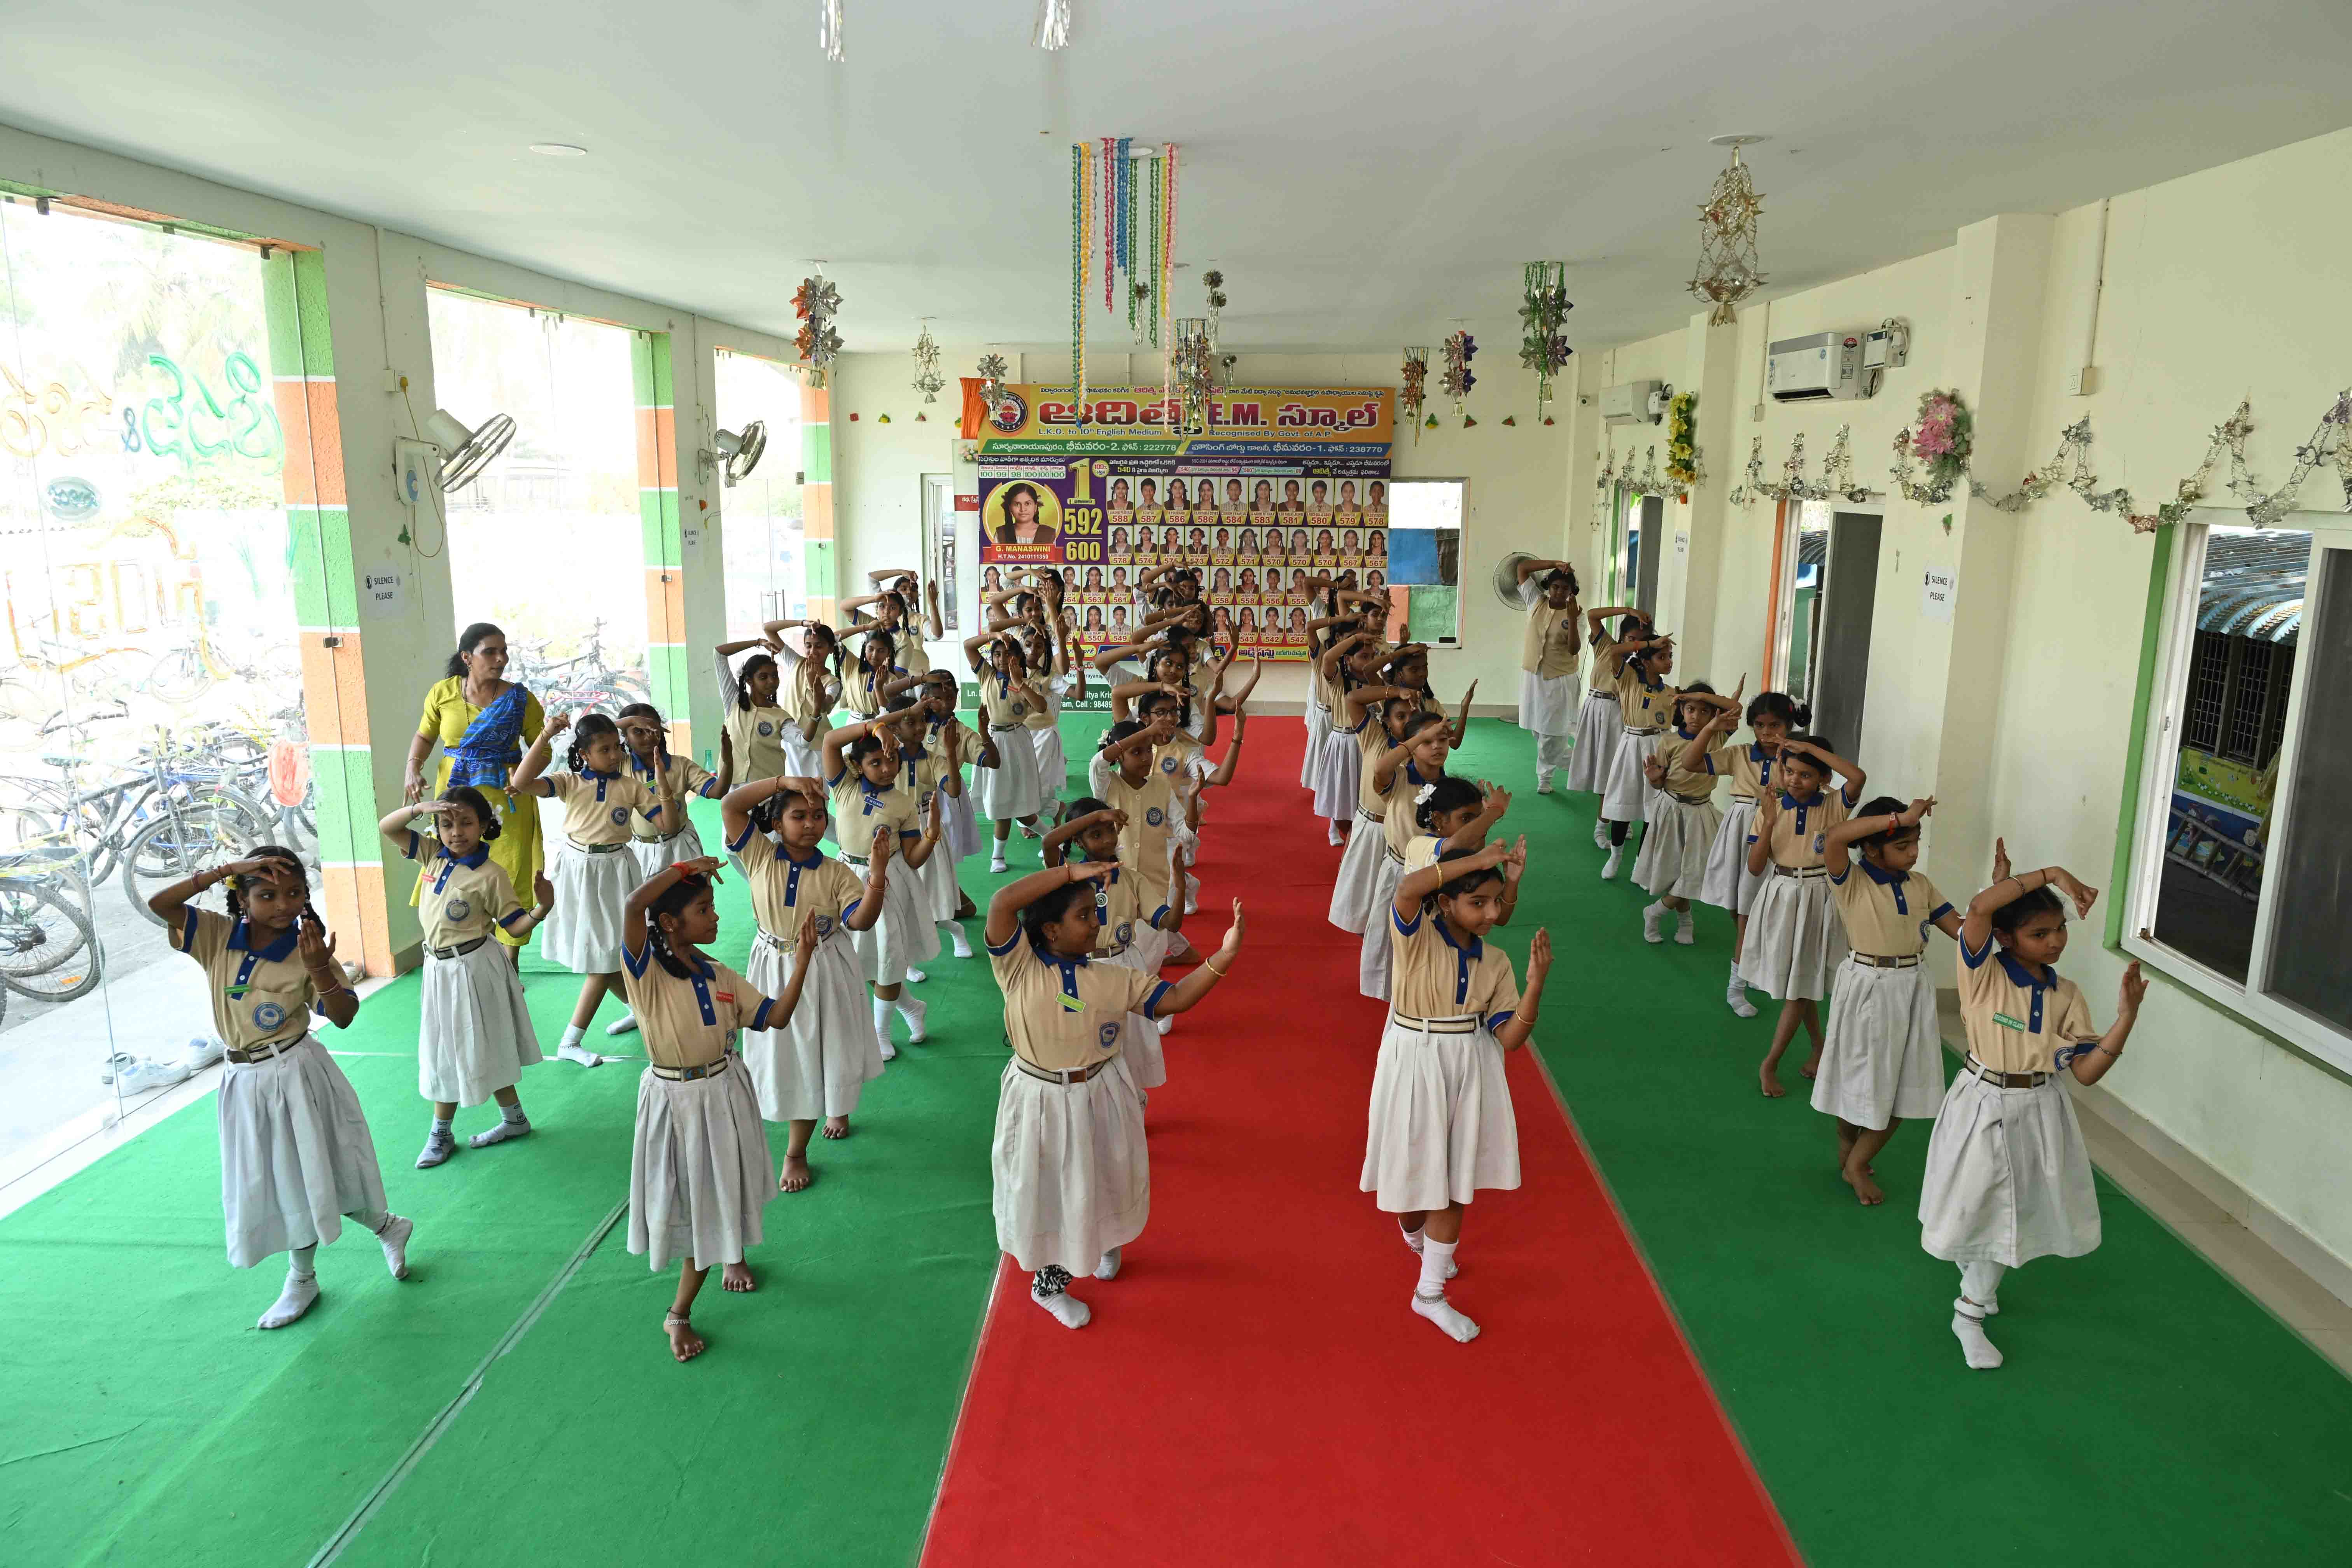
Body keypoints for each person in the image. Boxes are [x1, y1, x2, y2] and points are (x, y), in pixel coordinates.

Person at [150, 848, 413, 1330]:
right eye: (267, 895)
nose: (283, 905)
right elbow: (159, 905)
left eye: (294, 893)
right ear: (242, 900)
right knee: (290, 1177)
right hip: (242, 1080)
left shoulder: (307, 947)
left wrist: (318, 968)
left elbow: (344, 1016)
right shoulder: (216, 935)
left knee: (303, 1176)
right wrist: (224, 871)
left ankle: (303, 1279)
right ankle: (388, 1226)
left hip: (295, 1073)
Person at [985, 860, 1244, 1328]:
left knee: (1104, 1175)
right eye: (1083, 915)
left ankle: (1104, 1239)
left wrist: (1222, 958)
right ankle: (1049, 1286)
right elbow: (1003, 902)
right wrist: (1069, 874)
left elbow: (1176, 999)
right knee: (1048, 1190)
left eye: (1096, 912)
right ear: (1051, 929)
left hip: (1101, 1093)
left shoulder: (1112, 978)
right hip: (1040, 1101)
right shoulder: (1018, 965)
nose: (1096, 923)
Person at [1920, 844, 2145, 1370]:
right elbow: (1979, 908)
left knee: (2011, 1211)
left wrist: (2126, 1018)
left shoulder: (2067, 994)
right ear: (2005, 937)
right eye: (2039, 933)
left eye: (2059, 930)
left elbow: (2086, 1072)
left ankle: (1969, 1312)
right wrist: (2055, 873)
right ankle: (1977, 1286)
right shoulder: (1983, 972)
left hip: (2041, 1108)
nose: (2055, 941)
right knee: (1977, 1206)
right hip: (1983, 1102)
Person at [621, 859, 811, 1362]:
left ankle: (732, 1254)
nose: (715, 917)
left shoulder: (720, 974)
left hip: (725, 1090)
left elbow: (776, 1016)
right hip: (675, 1101)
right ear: (670, 922)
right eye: (703, 909)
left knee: (725, 1179)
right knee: (693, 1196)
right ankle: (678, 1314)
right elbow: (635, 906)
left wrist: (804, 961)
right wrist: (684, 868)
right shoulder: (646, 974)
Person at [1362, 842, 1550, 1344]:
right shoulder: (1416, 937)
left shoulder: (1497, 961)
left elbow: (1510, 1038)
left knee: (1450, 1180)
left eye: (1496, 902)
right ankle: (1416, 1237)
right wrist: (1479, 860)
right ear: (1446, 903)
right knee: (1412, 1183)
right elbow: (1408, 888)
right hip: (1414, 1059)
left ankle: (1429, 1294)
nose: (1491, 914)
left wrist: (1535, 986)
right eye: (1478, 902)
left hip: (1471, 1065)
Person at [721, 775, 885, 1192]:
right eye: (798, 816)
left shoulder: (837, 872)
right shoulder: (758, 854)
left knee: (823, 1049)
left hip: (823, 967)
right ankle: (833, 1102)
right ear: (777, 824)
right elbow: (731, 805)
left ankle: (797, 1151)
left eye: (817, 816)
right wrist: (782, 781)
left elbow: (861, 921)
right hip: (770, 965)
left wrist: (878, 877)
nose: (811, 824)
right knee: (787, 1054)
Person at [378, 790, 553, 1167]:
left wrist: (543, 907)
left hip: (474, 969)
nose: (456, 832)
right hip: (437, 970)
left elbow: (513, 926)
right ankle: (513, 1120)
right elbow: (387, 827)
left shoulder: (491, 875)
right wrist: (420, 808)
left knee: (468, 1046)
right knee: (450, 1046)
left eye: (466, 823)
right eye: (447, 824)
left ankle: (441, 1134)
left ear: (485, 826)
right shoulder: (432, 854)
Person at [1815, 796, 1962, 1205]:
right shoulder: (1851, 880)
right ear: (1873, 848)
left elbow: (1963, 931)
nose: (1914, 852)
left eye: (1916, 842)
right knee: (1858, 1079)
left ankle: (1857, 1161)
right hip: (1869, 987)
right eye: (1903, 845)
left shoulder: (1921, 885)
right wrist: (1902, 817)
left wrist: (1998, 891)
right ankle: (1851, 1154)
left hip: (1913, 987)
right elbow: (1835, 836)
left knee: (1903, 1084)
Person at [512, 712, 670, 1063]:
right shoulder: (568, 782)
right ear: (584, 754)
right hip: (579, 871)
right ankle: (571, 1042)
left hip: (618, 870)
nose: (615, 755)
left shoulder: (630, 786)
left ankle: (638, 1012)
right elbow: (522, 783)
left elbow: (668, 823)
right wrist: (546, 735)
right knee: (603, 957)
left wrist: (663, 783)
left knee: (610, 954)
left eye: (617, 747)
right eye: (604, 750)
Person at [404, 623, 545, 965]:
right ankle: (459, 944)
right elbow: (425, 736)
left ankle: (509, 964)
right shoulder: (443, 693)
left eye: (504, 652)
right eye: (490, 652)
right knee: (451, 864)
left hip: (507, 800)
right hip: (454, 799)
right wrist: (413, 767)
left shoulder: (520, 700)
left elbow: (542, 748)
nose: (501, 659)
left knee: (510, 872)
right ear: (467, 657)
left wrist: (524, 778)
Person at [1741, 735, 1868, 1098]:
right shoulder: (1770, 808)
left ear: (1824, 779)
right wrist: (1768, 822)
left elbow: (1858, 778)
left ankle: (1770, 1063)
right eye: (1790, 771)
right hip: (1781, 895)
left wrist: (1809, 748)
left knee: (1799, 986)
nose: (1795, 780)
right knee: (1801, 982)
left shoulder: (1833, 807)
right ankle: (1819, 1047)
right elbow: (1754, 868)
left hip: (1819, 897)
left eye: (1807, 774)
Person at [1043, 801, 1192, 1093]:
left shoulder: (1133, 880)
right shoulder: (1068, 876)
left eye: (1110, 831)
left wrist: (1180, 883)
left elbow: (1172, 924)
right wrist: (1099, 814)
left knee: (1130, 1044)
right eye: (1096, 835)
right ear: (1078, 841)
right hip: (1079, 971)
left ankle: (1134, 1101)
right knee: (1084, 1045)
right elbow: (1049, 842)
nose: (1108, 840)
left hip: (1125, 966)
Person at [821, 714, 947, 1055]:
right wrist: (875, 728)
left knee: (888, 958)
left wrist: (932, 832)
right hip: (846, 879)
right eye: (875, 762)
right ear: (858, 766)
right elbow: (830, 740)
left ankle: (880, 1032)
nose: (887, 768)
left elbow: (913, 858)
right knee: (861, 958)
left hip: (888, 882)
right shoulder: (844, 787)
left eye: (892, 759)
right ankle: (911, 1008)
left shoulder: (903, 804)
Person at [1684, 691, 1804, 1018]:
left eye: (1775, 725)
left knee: (1750, 912)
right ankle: (1748, 965)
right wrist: (1711, 728)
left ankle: (1735, 986)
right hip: (1738, 828)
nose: (1767, 733)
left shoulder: (1795, 759)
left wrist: (1794, 756)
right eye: (1760, 725)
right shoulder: (1739, 753)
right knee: (1739, 908)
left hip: (1774, 830)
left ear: (1789, 725)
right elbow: (1690, 763)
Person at [1358, 712, 1467, 1001]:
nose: (1437, 747)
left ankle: (1426, 993)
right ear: (1412, 745)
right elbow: (1381, 768)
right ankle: (1388, 995)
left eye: (1442, 740)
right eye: (1427, 742)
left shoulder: (1453, 789)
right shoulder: (1400, 779)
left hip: (1437, 876)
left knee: (1431, 938)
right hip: (1398, 871)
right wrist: (1417, 738)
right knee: (1389, 934)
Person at [1634, 681, 1741, 945]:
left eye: (1705, 711)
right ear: (1682, 710)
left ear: (1714, 714)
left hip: (1701, 811)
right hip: (1670, 810)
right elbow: (1659, 782)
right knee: (1677, 870)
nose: (1697, 716)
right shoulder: (1668, 740)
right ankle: (1685, 921)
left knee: (1697, 870)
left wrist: (1699, 695)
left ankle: (1655, 912)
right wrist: (1654, 779)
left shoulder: (1718, 735)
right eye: (1691, 709)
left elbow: (1736, 707)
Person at [1597, 623, 1676, 880]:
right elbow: (1614, 651)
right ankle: (1616, 855)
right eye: (1661, 657)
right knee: (1623, 803)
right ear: (1646, 662)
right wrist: (1650, 643)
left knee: (1652, 810)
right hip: (1631, 745)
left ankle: (1641, 865)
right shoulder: (1629, 678)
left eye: (1670, 656)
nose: (1669, 662)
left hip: (1658, 748)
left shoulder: (1671, 694)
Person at [617, 701, 732, 880]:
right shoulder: (620, 766)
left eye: (652, 729)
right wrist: (631, 720)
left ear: (661, 730)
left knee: (691, 894)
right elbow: (595, 733)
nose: (647, 737)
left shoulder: (681, 765)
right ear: (625, 736)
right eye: (638, 731)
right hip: (641, 850)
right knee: (648, 898)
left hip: (681, 845)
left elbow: (718, 792)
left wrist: (728, 762)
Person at [966, 632, 1046, 870]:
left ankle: (998, 856)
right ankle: (1052, 837)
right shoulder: (987, 675)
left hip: (1016, 742)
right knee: (1000, 800)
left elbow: (1041, 707)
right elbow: (969, 646)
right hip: (991, 739)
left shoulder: (1028, 683)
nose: (1002, 659)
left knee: (1017, 803)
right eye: (998, 654)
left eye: (1009, 654)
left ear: (1019, 658)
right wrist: (993, 635)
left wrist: (1019, 683)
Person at [1564, 607, 1643, 824]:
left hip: (1618, 713)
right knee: (1599, 769)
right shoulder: (1606, 645)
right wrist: (1629, 610)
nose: (1635, 645)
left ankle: (1617, 821)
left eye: (1641, 641)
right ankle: (1603, 826)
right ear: (1622, 637)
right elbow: (1593, 615)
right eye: (1631, 639)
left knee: (1614, 770)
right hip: (1594, 708)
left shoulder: (1641, 663)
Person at [1513, 559, 1582, 791]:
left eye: (1565, 588)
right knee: (1539, 730)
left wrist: (1573, 620)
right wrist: (1555, 563)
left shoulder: (1576, 614)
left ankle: (1549, 776)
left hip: (1559, 679)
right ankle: (1581, 765)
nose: (1559, 592)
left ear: (1572, 591)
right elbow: (1522, 568)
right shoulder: (1535, 601)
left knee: (1552, 733)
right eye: (1555, 587)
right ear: (1548, 587)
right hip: (1533, 677)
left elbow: (1574, 649)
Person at [994, 481, 1058, 546]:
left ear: (1036, 507)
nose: (1023, 509)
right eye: (1017, 504)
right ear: (1010, 508)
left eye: (1028, 504)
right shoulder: (1001, 534)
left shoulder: (1050, 534)